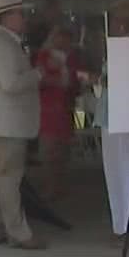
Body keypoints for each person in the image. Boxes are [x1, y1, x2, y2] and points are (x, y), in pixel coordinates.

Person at [0, 0, 45, 250]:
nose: (24, 19)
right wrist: (36, 74)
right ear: (8, 17)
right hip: (6, 123)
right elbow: (10, 84)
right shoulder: (3, 45)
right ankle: (18, 233)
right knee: (7, 179)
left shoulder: (4, 43)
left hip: (1, 122)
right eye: (20, 14)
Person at [98, 0, 129, 246]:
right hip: (125, 112)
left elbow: (117, 78)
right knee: (125, 168)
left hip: (121, 113)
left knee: (123, 169)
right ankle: (125, 224)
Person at [32, 23, 84, 203]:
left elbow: (76, 82)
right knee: (49, 150)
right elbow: (38, 79)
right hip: (48, 108)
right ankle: (49, 186)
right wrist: (57, 81)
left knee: (63, 150)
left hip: (65, 108)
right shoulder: (44, 56)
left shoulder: (72, 58)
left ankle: (59, 185)